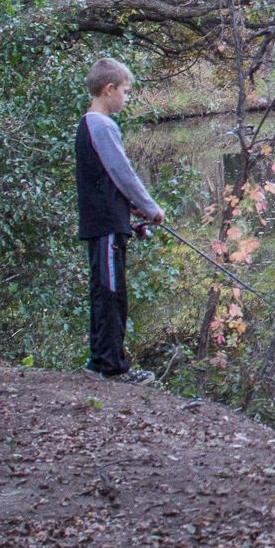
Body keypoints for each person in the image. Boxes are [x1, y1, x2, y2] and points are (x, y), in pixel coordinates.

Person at [76, 57, 166, 383]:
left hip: (106, 222)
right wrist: (150, 207)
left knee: (104, 292)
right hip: (106, 225)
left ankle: (99, 361)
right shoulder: (102, 125)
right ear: (108, 89)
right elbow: (122, 173)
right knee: (112, 294)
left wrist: (133, 211)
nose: (126, 99)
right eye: (125, 92)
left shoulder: (88, 124)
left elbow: (107, 180)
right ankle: (113, 368)